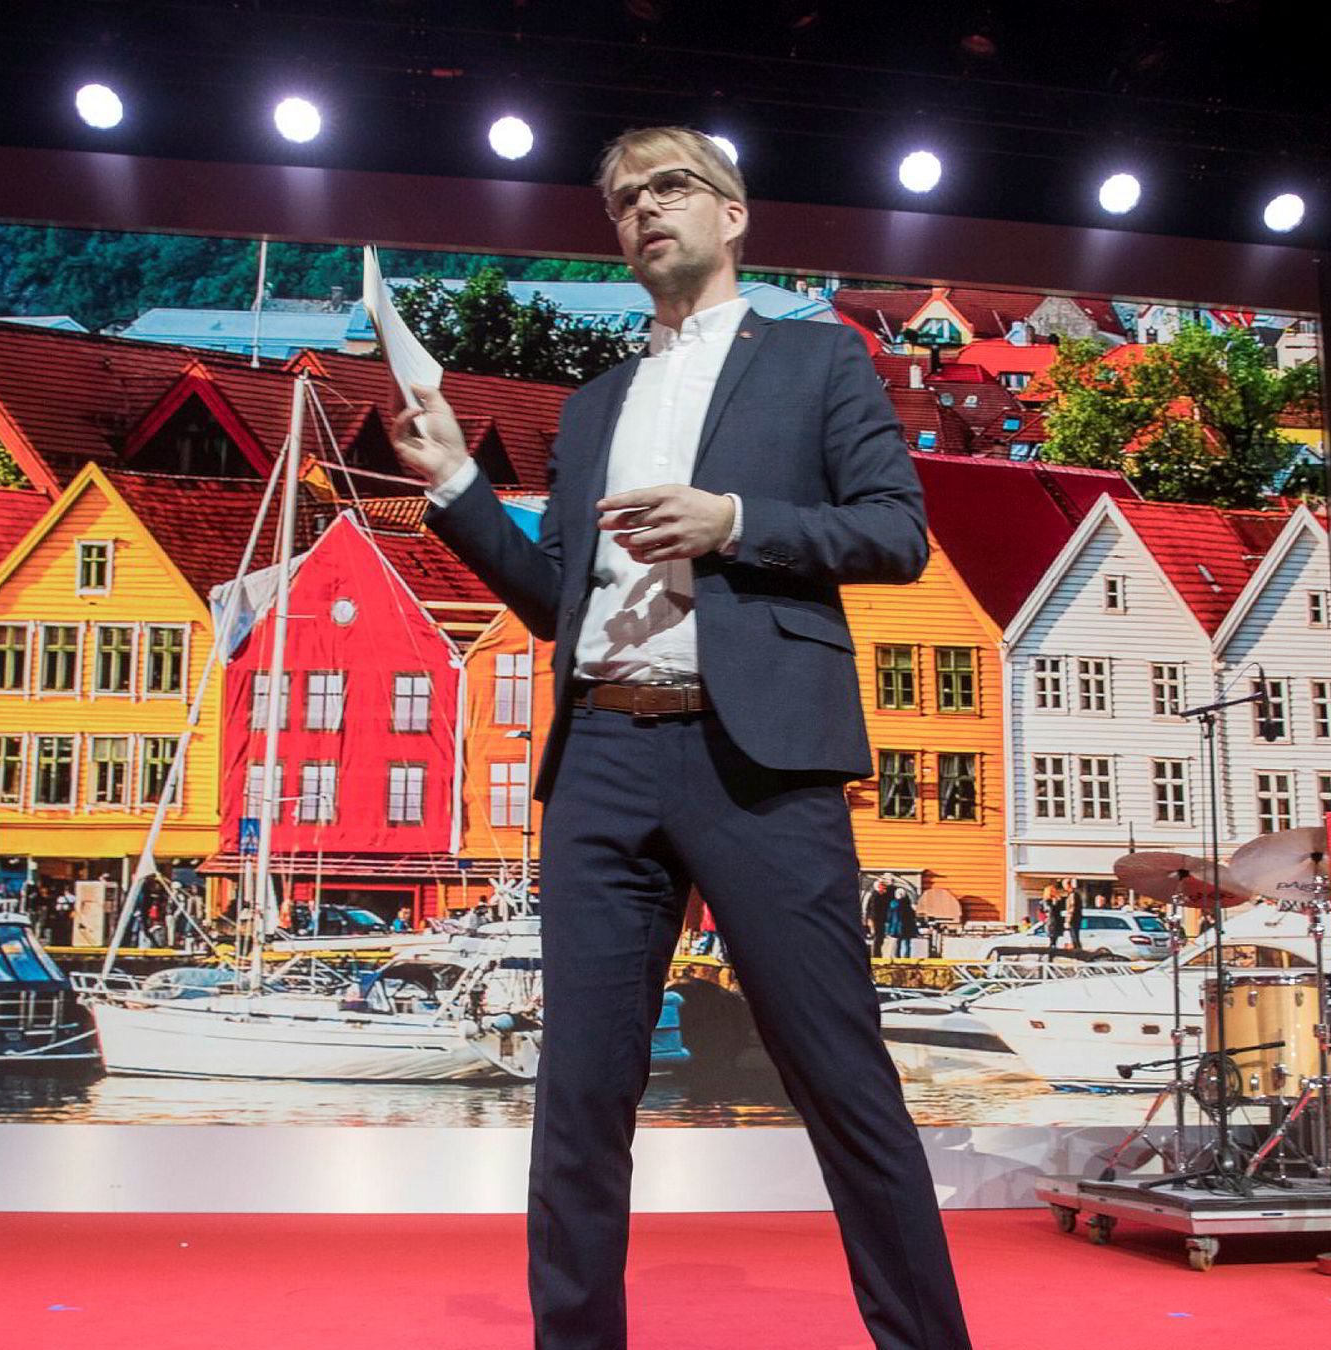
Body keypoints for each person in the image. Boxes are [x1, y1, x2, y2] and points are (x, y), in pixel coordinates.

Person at [399, 124, 971, 1350]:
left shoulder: (818, 361)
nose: (642, 210)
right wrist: (454, 487)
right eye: (621, 200)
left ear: (733, 212)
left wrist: (736, 522)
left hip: (755, 760)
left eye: (669, 187)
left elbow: (895, 534)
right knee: (580, 1093)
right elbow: (557, 602)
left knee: (841, 1077)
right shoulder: (594, 405)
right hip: (602, 755)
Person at [866, 874, 896, 958]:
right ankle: (875, 955)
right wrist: (870, 920)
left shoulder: (881, 896)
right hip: (876, 919)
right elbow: (873, 910)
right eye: (882, 887)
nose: (884, 889)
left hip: (879, 919)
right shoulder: (875, 896)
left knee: (880, 938)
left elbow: (890, 893)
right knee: (877, 937)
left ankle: (877, 954)